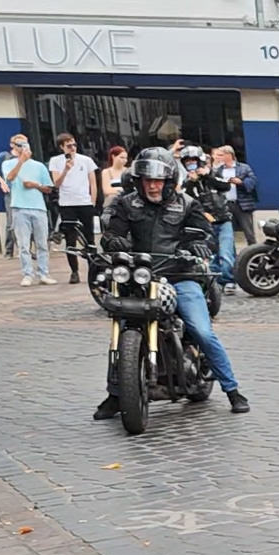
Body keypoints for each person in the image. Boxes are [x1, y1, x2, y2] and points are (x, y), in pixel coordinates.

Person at [97, 148, 249, 416]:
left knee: (202, 331)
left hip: (180, 275)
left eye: (158, 181)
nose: (153, 186)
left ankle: (232, 390)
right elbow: (113, 232)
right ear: (139, 181)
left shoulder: (187, 204)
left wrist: (198, 245)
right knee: (121, 329)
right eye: (148, 180)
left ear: (169, 181)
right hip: (140, 277)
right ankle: (116, 394)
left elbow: (205, 234)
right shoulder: (126, 204)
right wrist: (113, 240)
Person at [176, 145, 235, 289]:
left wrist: (207, 176)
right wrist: (191, 182)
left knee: (226, 253)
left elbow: (226, 186)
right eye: (188, 161)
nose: (191, 163)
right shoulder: (187, 182)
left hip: (223, 220)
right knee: (211, 255)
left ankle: (228, 280)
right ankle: (215, 283)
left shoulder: (213, 174)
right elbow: (186, 200)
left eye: (193, 160)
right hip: (205, 224)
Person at [2, 136, 54, 286]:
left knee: (42, 243)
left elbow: (48, 188)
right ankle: (27, 274)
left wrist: (35, 185)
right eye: (19, 145)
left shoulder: (39, 166)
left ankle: (43, 273)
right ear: (14, 146)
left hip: (38, 207)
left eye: (25, 144)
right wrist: (21, 161)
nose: (23, 147)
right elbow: (10, 178)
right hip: (19, 207)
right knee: (23, 244)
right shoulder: (8, 163)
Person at [48, 133, 99, 284]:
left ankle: (93, 271)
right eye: (69, 145)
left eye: (74, 145)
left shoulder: (86, 160)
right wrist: (66, 169)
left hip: (84, 203)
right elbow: (56, 184)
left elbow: (93, 182)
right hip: (67, 204)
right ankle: (74, 271)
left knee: (89, 238)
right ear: (62, 147)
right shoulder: (55, 161)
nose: (73, 148)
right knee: (70, 239)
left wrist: (92, 202)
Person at [211, 144, 257, 244]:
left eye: (221, 155)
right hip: (225, 205)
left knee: (248, 232)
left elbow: (253, 181)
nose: (218, 157)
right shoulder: (218, 170)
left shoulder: (244, 167)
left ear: (229, 155)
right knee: (228, 232)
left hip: (241, 204)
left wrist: (241, 182)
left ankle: (254, 250)